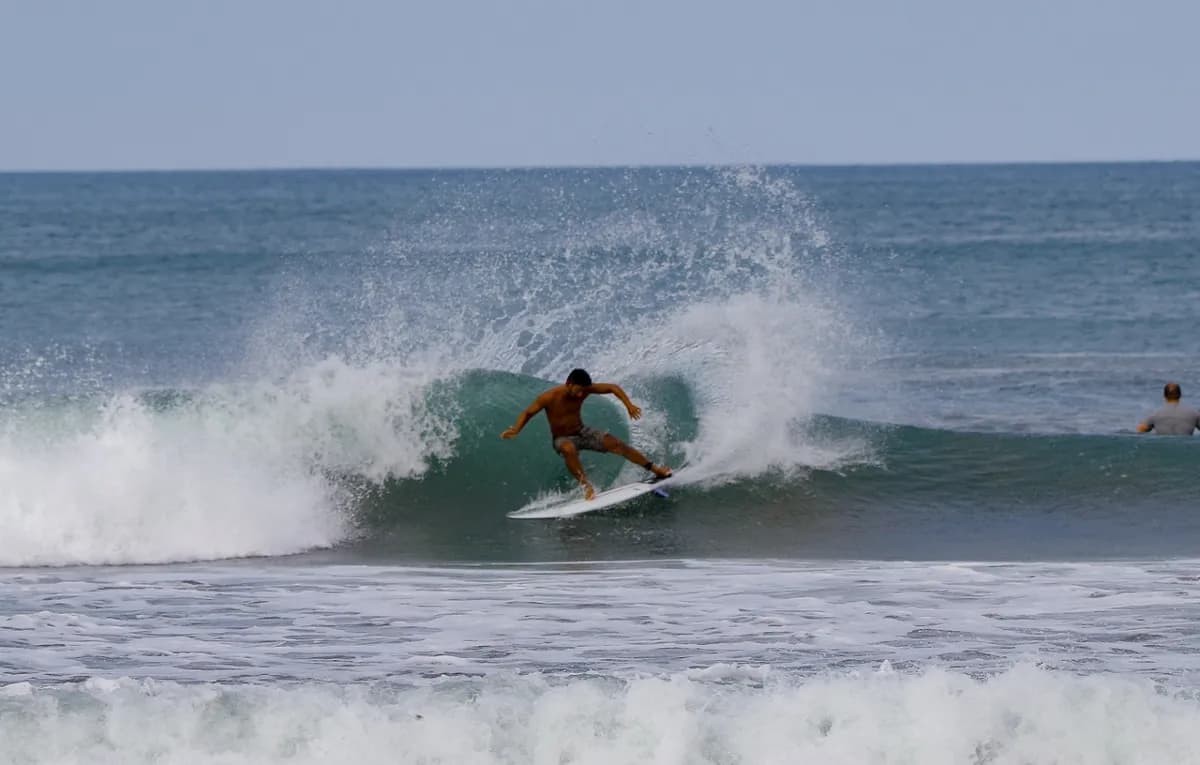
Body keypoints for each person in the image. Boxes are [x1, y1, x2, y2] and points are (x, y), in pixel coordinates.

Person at [500, 368, 672, 500]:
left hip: (582, 431)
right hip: (562, 438)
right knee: (568, 449)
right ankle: (586, 486)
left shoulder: (585, 390)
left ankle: (656, 470)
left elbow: (612, 388)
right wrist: (516, 429)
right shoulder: (549, 397)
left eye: (584, 390)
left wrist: (628, 404)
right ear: (568, 383)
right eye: (578, 390)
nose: (581, 394)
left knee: (618, 445)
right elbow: (528, 413)